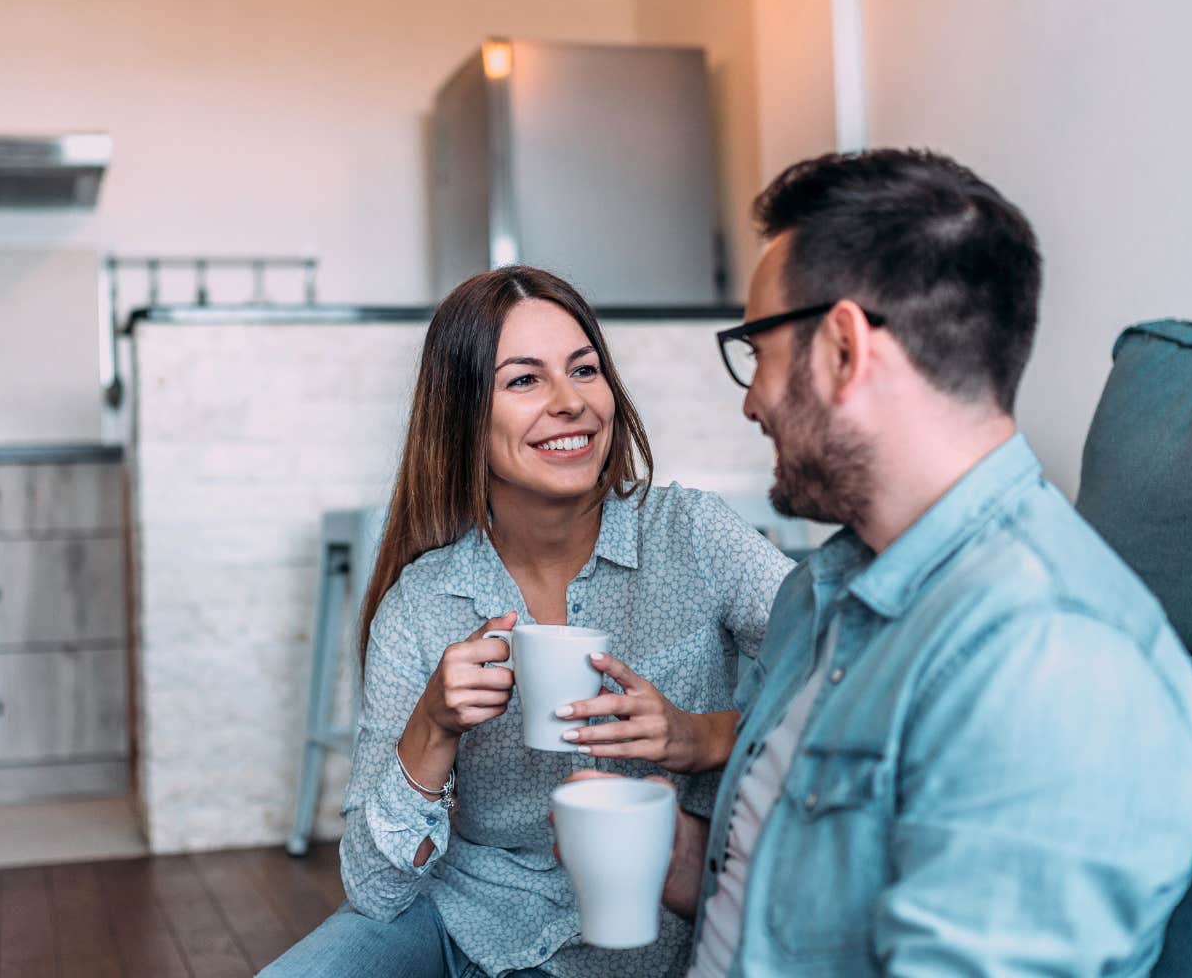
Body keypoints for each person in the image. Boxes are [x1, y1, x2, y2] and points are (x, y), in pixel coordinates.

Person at [574, 148, 1192, 977]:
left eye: (757, 349)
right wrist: (672, 854)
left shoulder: (1050, 656)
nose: (751, 399)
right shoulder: (817, 591)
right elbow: (794, 915)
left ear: (844, 348)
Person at [263, 267, 794, 977]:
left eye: (585, 369)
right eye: (524, 381)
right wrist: (433, 726)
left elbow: (851, 674)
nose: (571, 402)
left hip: (653, 929)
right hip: (466, 918)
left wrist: (703, 736)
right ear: (463, 416)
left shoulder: (692, 536)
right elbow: (375, 889)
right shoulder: (424, 603)